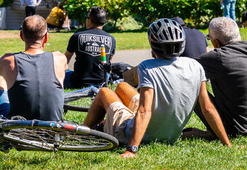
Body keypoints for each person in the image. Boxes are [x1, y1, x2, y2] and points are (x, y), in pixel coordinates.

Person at [82, 18, 231, 157]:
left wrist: (132, 149)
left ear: (153, 44)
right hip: (170, 135)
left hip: (135, 133)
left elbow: (144, 110)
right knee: (122, 86)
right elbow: (208, 108)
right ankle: (104, 124)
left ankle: (81, 133)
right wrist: (227, 143)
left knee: (104, 92)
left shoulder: (147, 67)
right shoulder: (195, 65)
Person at [185, 17, 247, 138]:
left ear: (216, 42)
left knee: (191, 87)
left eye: (209, 38)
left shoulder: (220, 57)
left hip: (237, 130)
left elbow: (182, 70)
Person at [0, 15, 67, 121]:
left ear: (21, 36)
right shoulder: (59, 58)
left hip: (17, 129)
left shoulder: (8, 60)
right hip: (53, 129)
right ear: (46, 37)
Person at [64, 6, 116, 89]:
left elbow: (65, 59)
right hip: (101, 82)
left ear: (90, 20)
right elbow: (108, 61)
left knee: (65, 72)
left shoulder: (77, 36)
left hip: (78, 82)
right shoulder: (111, 39)